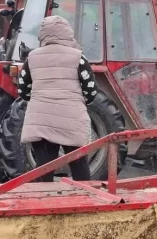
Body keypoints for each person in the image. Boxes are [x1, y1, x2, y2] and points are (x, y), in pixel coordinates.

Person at [17, 15, 97, 182]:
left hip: (41, 121)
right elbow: (90, 90)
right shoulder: (79, 57)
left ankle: (45, 203)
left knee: (44, 166)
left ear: (43, 34)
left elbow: (23, 90)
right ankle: (84, 200)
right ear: (68, 33)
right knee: (79, 165)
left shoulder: (31, 58)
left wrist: (39, 99)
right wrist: (79, 102)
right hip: (72, 120)